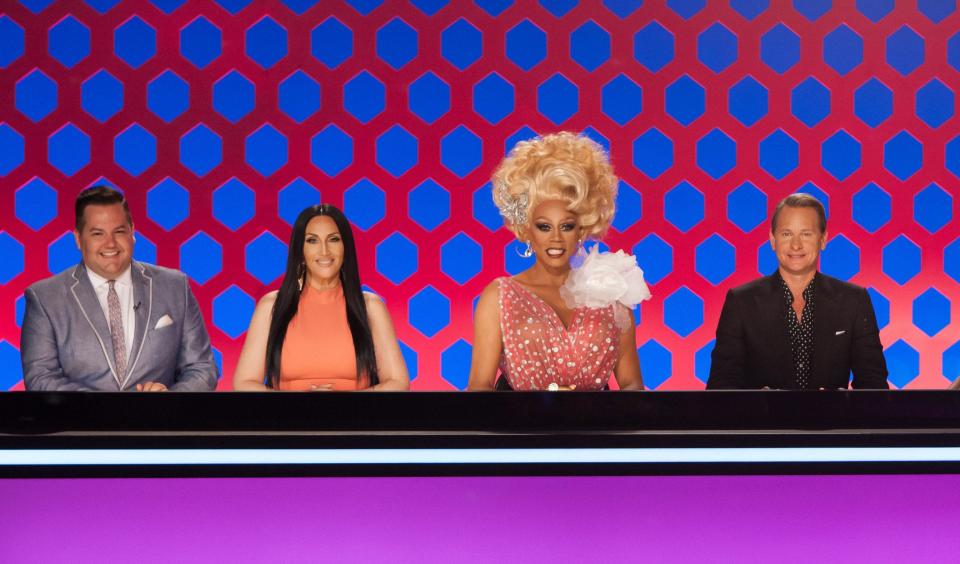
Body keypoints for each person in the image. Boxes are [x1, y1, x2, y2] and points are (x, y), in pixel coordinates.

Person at [467, 132, 647, 391]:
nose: (556, 238)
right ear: (526, 229)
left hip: (596, 429)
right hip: (523, 430)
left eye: (566, 226)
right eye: (543, 226)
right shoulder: (499, 297)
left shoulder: (612, 294)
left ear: (582, 229)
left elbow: (632, 385)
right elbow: (479, 388)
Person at [21, 186, 219, 391]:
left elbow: (202, 368)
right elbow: (40, 378)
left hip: (158, 422)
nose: (110, 243)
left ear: (132, 233)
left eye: (119, 231)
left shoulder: (175, 286)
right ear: (78, 239)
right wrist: (102, 410)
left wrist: (168, 400)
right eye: (98, 233)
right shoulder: (45, 297)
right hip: (80, 421)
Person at [707, 193, 889, 390]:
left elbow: (874, 387)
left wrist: (842, 404)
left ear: (823, 239)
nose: (796, 245)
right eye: (786, 234)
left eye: (806, 234)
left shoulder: (854, 301)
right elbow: (720, 390)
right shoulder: (741, 301)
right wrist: (756, 403)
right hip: (763, 420)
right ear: (772, 239)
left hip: (831, 421)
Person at [233, 204, 409, 391]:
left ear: (345, 247)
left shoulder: (370, 307)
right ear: (300, 250)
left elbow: (397, 383)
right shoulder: (272, 306)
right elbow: (244, 384)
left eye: (333, 239)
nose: (324, 251)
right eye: (312, 241)